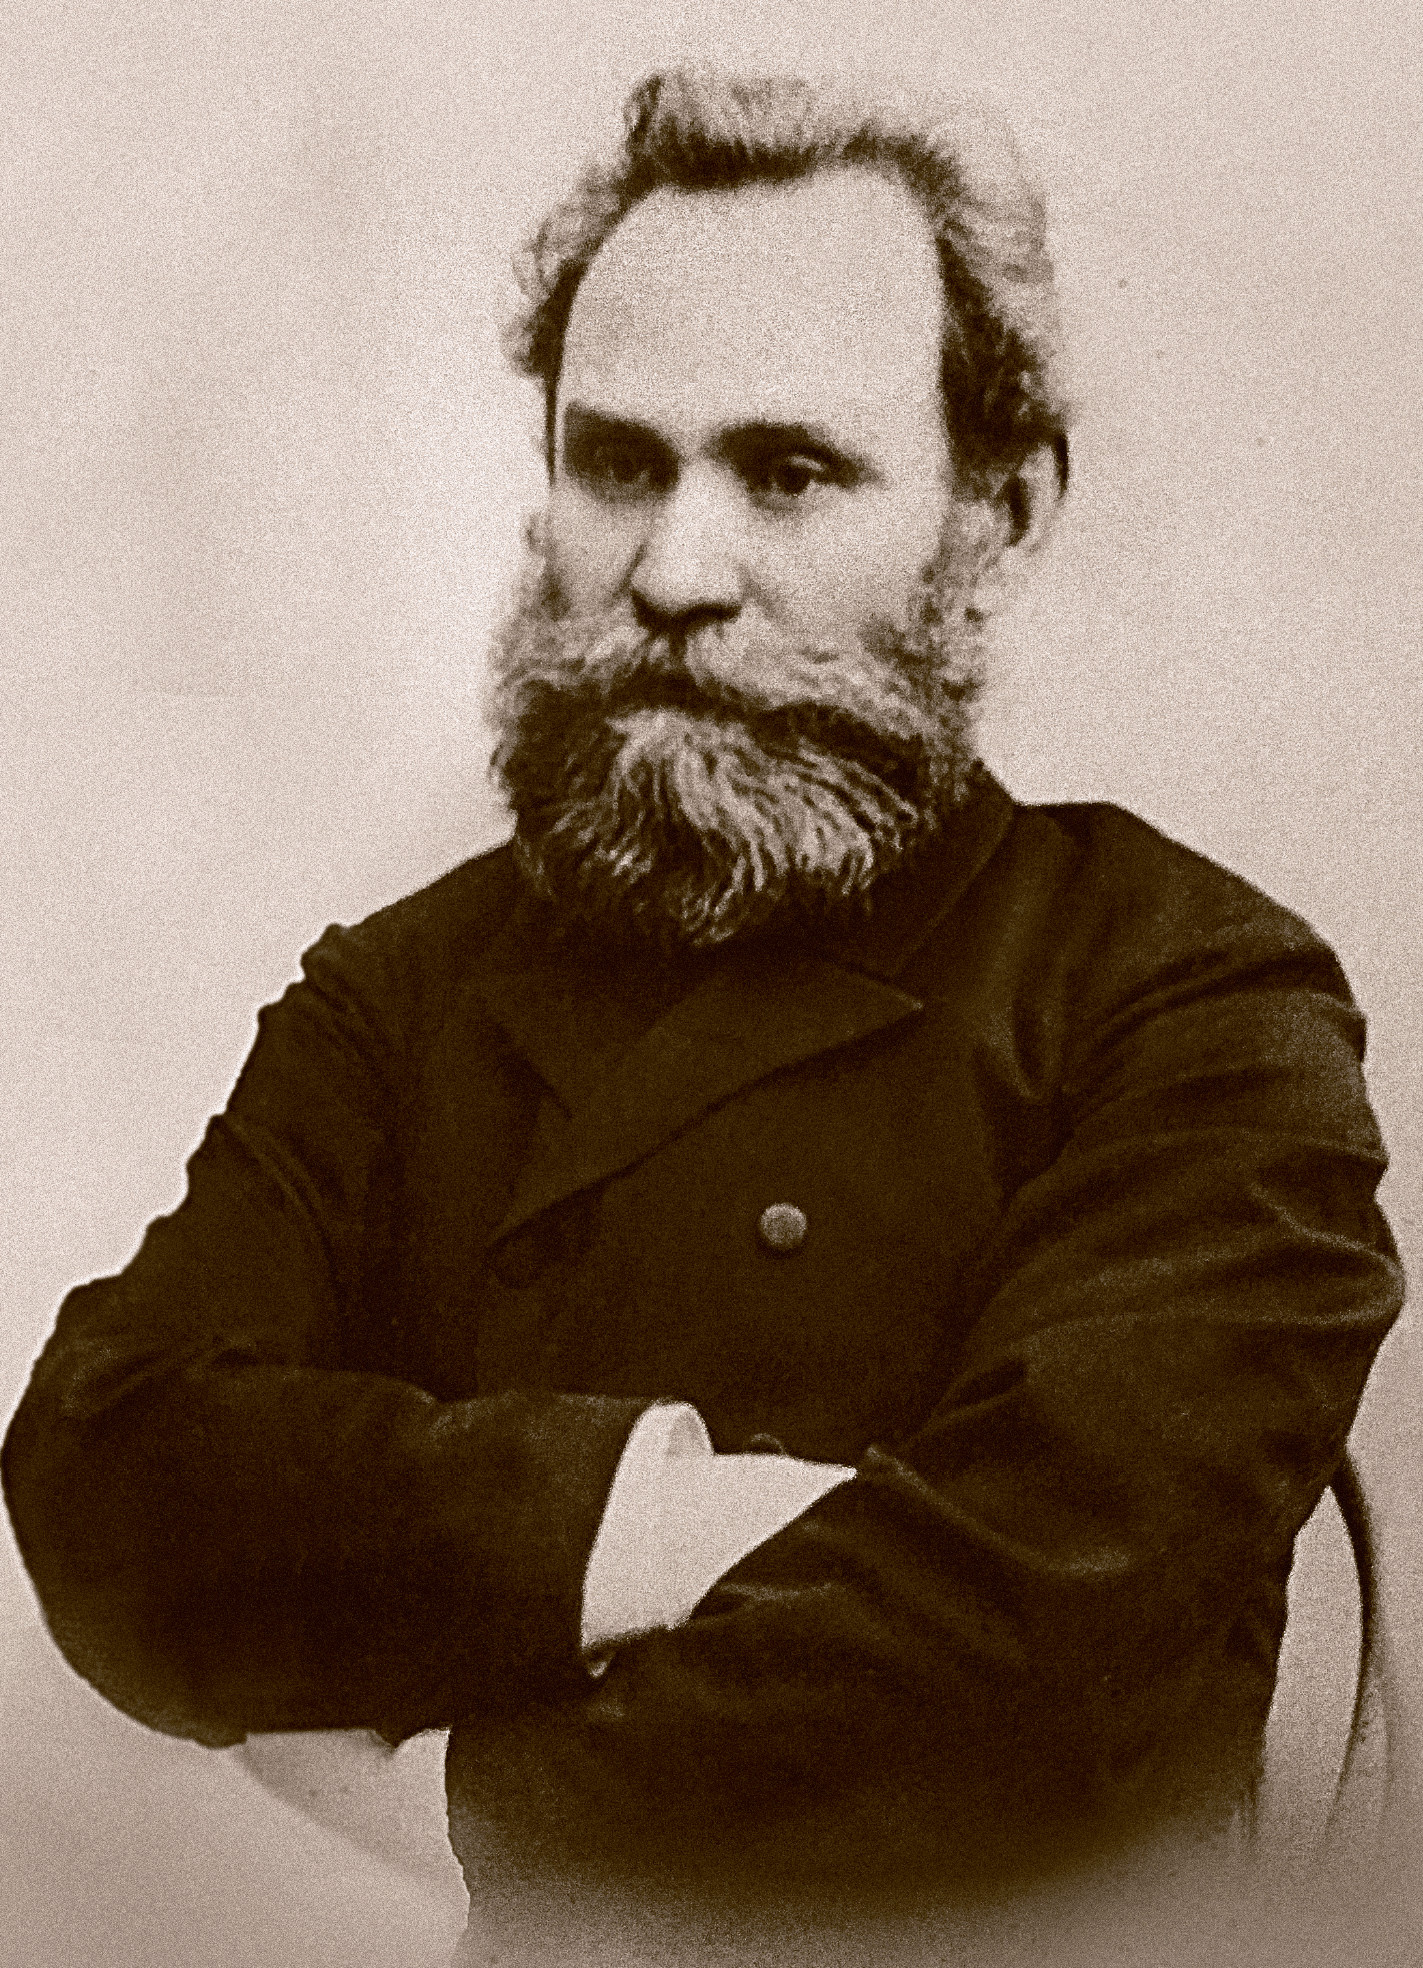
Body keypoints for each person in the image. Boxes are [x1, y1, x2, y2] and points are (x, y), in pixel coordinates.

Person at [2, 66, 1404, 1960]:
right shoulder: (401, 994)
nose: (673, 571)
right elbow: (105, 1474)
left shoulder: (1189, 998)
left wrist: (437, 1806)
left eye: (789, 472)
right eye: (618, 464)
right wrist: (653, 1525)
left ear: (999, 512)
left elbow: (1021, 1683)